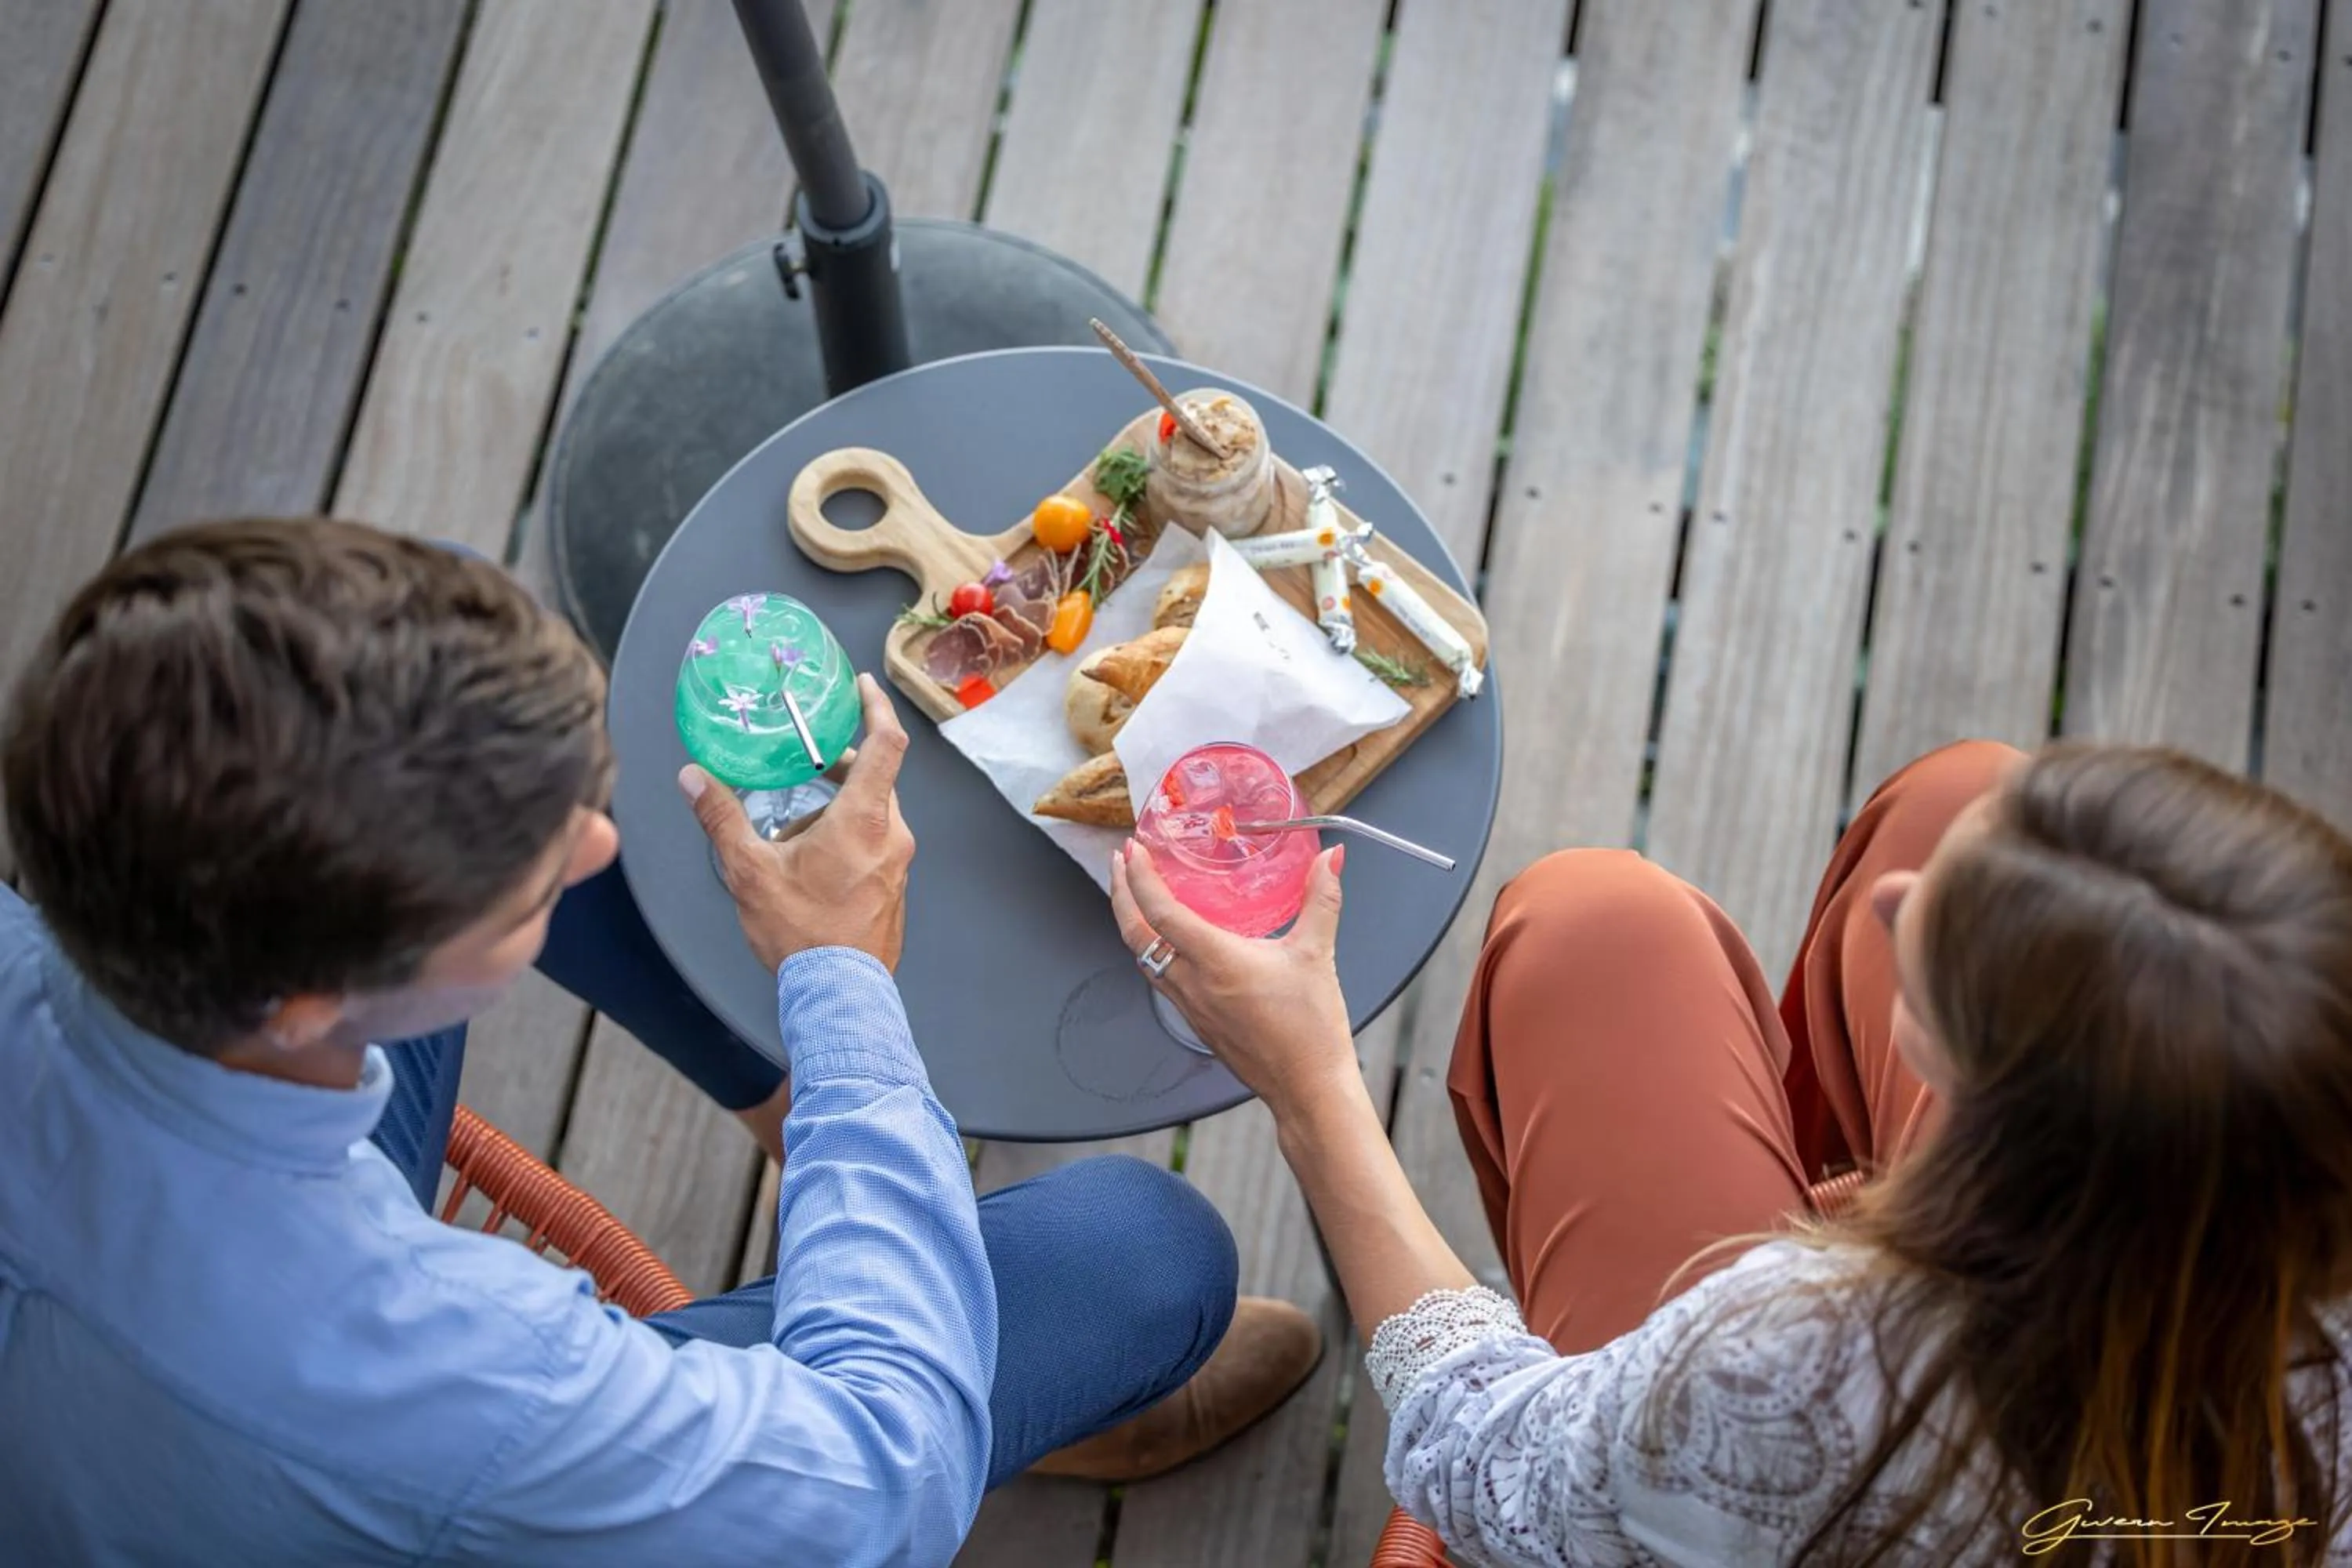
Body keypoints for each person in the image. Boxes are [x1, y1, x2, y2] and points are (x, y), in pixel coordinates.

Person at [0, 519, 1320, 1566]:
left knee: (457, 725)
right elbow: (878, 1485)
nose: (598, 847)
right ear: (303, 1002)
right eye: (526, 889)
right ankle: (907, 1249)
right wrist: (840, 972)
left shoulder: (117, 940)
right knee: (1153, 1255)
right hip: (336, 1470)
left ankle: (798, 1127)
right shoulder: (472, 1372)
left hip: (136, 1223)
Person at [1112, 739, 2352, 1564]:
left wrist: (1313, 1087)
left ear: (2025, 1167)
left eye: (1950, 955)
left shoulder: (1812, 1367)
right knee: (1960, 792)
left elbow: (1489, 1467)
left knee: (1590, 933)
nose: (1895, 904)